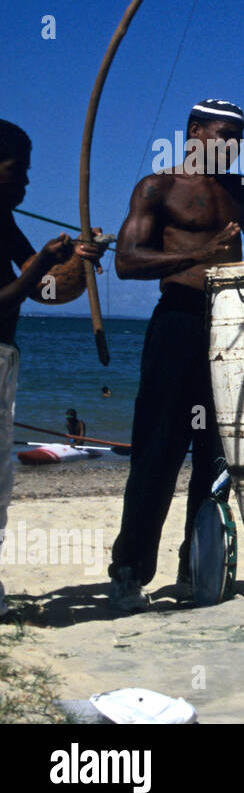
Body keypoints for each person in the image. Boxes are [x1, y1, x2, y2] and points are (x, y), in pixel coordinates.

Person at [108, 99, 244, 613]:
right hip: (179, 323)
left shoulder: (240, 193)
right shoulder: (157, 187)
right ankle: (129, 572)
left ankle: (196, 570)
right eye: (222, 135)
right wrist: (197, 256)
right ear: (193, 131)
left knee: (218, 452)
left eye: (239, 137)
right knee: (158, 451)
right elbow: (126, 261)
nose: (231, 146)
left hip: (233, 329)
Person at [0, 119, 106, 617]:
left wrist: (78, 261)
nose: (25, 183)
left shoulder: (5, 221)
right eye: (16, 171)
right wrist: (44, 259)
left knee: (1, 479)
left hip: (5, 357)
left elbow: (47, 290)